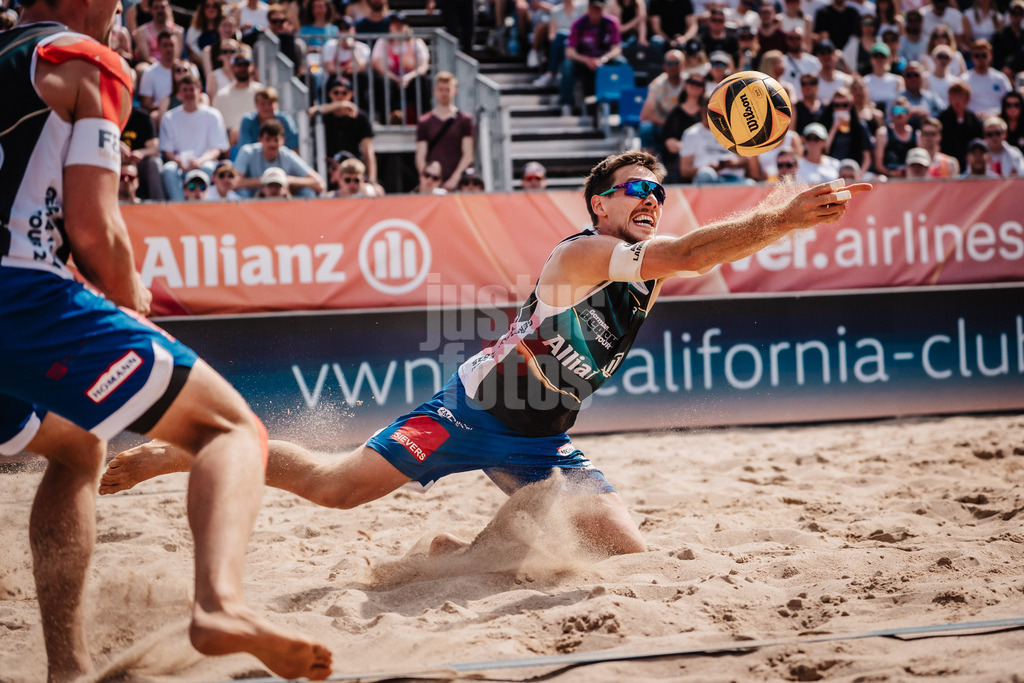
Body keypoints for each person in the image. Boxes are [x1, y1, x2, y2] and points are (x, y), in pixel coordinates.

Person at [100, 150, 872, 570]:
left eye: (658, 193)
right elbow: (696, 250)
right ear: (599, 204)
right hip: (466, 414)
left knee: (627, 552)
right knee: (337, 487)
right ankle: (192, 451)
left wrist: (775, 216)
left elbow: (698, 252)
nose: (649, 197)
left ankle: (455, 556)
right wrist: (785, 215)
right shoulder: (582, 255)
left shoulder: (647, 272)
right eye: (636, 188)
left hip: (542, 441)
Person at [0, 2, 333, 681]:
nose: (121, 14)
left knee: (77, 445)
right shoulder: (83, 61)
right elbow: (94, 227)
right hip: (21, 294)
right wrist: (130, 298)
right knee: (231, 429)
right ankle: (221, 605)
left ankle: (68, 668)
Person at [159, 73, 229, 201]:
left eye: (191, 89)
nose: (188, 93)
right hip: (180, 165)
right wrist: (178, 161)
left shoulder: (213, 115)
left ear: (199, 91)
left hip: (205, 162)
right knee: (168, 170)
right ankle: (179, 206)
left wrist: (200, 160)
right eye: (185, 90)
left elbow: (217, 149)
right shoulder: (169, 117)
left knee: (209, 168)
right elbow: (168, 151)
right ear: (179, 93)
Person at [415, 71, 475, 192]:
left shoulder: (464, 120)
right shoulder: (425, 121)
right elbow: (420, 155)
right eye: (441, 89)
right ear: (435, 90)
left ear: (454, 91)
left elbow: (468, 154)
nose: (444, 93)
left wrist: (455, 178)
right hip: (433, 182)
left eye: (447, 90)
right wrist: (428, 179)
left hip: (457, 183)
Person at [234, 119, 326, 197]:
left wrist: (288, 180)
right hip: (253, 205)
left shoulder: (287, 155)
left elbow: (320, 183)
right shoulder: (247, 152)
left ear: (283, 141)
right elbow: (233, 183)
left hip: (283, 204)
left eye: (276, 140)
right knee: (241, 193)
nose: (272, 144)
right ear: (260, 140)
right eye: (268, 139)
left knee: (308, 192)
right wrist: (265, 181)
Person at [562, 0, 623, 113]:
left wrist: (603, 59)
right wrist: (586, 60)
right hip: (583, 61)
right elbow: (569, 52)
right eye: (593, 9)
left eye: (598, 10)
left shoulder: (611, 23)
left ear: (603, 10)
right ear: (588, 9)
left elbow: (617, 49)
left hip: (604, 61)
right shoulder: (578, 23)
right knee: (567, 65)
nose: (596, 13)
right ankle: (566, 103)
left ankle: (621, 104)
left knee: (622, 64)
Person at [312, 76, 377, 180]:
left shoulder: (360, 117)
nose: (340, 96)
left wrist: (372, 179)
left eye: (344, 93)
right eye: (336, 92)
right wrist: (339, 105)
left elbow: (368, 150)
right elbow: (308, 113)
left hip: (352, 171)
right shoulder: (323, 114)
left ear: (351, 94)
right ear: (330, 94)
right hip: (327, 170)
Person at [370, 11, 430, 124]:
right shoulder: (382, 42)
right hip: (391, 82)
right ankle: (386, 120)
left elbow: (423, 67)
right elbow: (379, 67)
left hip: (410, 82)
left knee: (422, 81)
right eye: (394, 23)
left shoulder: (416, 42)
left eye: (401, 23)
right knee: (382, 82)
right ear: (389, 26)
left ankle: (425, 119)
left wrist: (408, 77)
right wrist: (396, 79)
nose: (397, 26)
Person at [214, 47, 263, 147]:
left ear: (252, 66)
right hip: (231, 143)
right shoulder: (221, 95)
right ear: (232, 67)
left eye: (246, 65)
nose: (242, 69)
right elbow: (217, 128)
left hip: (257, 139)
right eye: (239, 65)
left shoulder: (261, 91)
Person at [639, 49, 685, 151]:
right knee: (646, 127)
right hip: (662, 124)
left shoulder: (690, 83)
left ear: (683, 64)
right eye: (669, 63)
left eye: (677, 63)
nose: (673, 66)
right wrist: (666, 123)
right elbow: (645, 116)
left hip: (684, 125)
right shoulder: (656, 85)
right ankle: (647, 158)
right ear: (664, 65)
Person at [961, 40, 1013, 120]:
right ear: (972, 57)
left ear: (991, 56)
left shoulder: (1000, 78)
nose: (980, 59)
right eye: (977, 56)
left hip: (997, 119)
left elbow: (1010, 101)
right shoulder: (964, 79)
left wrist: (996, 115)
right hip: (972, 120)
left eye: (984, 55)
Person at [938, 81, 984, 170]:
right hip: (947, 164)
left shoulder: (974, 120)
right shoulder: (942, 119)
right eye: (953, 97)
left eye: (960, 96)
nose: (957, 101)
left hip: (969, 165)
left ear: (967, 98)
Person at [239, 86, 300, 150]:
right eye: (262, 104)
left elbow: (294, 146)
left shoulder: (285, 119)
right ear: (256, 105)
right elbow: (245, 148)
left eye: (270, 103)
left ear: (277, 104)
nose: (267, 107)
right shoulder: (248, 120)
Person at [874, 96, 918, 177]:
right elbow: (878, 166)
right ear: (891, 114)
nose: (899, 114)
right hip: (888, 178)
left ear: (909, 114)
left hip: (912, 179)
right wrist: (892, 174)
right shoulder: (882, 133)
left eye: (903, 111)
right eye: (896, 110)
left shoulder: (917, 134)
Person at [136, 29, 178, 112]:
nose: (169, 49)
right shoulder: (149, 73)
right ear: (158, 47)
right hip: (160, 113)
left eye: (171, 45)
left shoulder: (187, 69)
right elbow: (146, 104)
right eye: (165, 45)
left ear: (177, 46)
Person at [133, 0, 182, 66]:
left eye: (163, 7)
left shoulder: (178, 31)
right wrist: (160, 67)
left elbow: (176, 57)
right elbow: (146, 57)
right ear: (150, 10)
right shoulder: (141, 31)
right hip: (151, 66)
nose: (160, 10)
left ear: (168, 8)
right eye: (156, 8)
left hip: (172, 66)